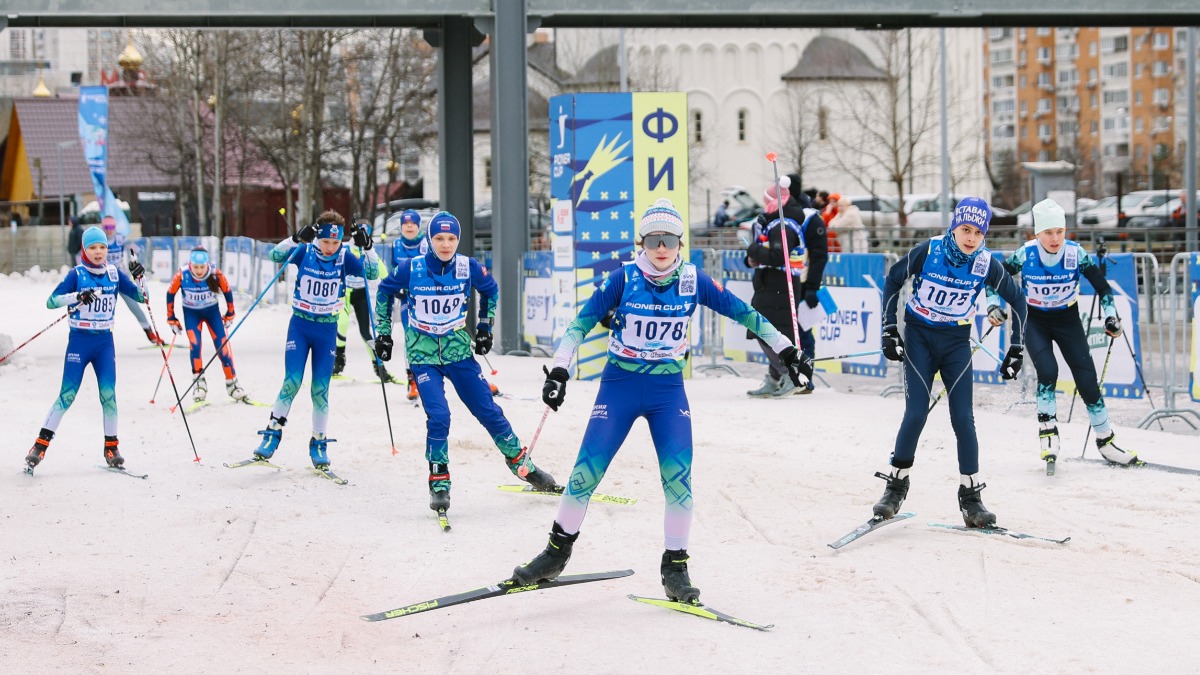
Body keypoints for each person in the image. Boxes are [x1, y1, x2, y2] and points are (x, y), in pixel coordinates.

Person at [510, 198, 814, 603]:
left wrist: (788, 351)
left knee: (679, 482)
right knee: (585, 474)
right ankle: (554, 553)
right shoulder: (623, 277)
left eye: (669, 239)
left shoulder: (693, 280)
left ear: (679, 242)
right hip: (619, 385)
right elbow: (579, 325)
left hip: (667, 391)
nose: (660, 247)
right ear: (642, 242)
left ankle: (675, 568)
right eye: (653, 239)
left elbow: (745, 314)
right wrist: (561, 370)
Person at [373, 211, 556, 513]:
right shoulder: (412, 268)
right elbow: (384, 291)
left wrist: (485, 327)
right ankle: (439, 480)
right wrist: (383, 334)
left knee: (488, 410)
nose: (446, 244)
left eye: (452, 238)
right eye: (439, 238)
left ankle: (523, 466)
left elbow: (490, 289)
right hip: (423, 355)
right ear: (430, 240)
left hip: (459, 352)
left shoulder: (467, 266)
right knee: (439, 416)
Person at [874, 197, 1027, 528]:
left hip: (956, 343)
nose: (971, 238)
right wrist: (889, 329)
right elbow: (893, 280)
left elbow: (1017, 301)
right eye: (965, 230)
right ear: (955, 227)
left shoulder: (987, 264)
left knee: (963, 418)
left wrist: (1017, 347)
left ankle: (971, 497)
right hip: (919, 339)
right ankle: (895, 487)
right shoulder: (929, 251)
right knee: (916, 412)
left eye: (978, 232)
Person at [985, 199, 1139, 470]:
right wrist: (993, 306)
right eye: (1048, 233)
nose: (1055, 239)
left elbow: (1104, 289)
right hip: (1035, 321)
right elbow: (994, 281)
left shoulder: (1076, 254)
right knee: (1048, 371)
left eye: (1060, 231)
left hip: (1068, 320)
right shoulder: (1026, 253)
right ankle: (1048, 435)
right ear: (1037, 233)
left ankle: (1106, 442)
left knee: (1087, 381)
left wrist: (1111, 316)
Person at [245, 211, 379, 471]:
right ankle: (272, 433)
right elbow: (273, 256)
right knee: (292, 381)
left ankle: (318, 441)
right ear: (318, 237)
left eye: (335, 242)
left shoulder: (343, 257)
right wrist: (294, 239)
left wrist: (368, 247)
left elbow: (371, 273)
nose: (330, 248)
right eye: (326, 242)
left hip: (326, 329)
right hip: (301, 325)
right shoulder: (305, 252)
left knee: (320, 390)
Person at [25, 226, 148, 471]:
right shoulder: (77, 274)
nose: (98, 251)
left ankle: (111, 448)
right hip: (80, 342)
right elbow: (51, 301)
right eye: (92, 247)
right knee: (67, 396)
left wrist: (140, 277)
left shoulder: (114, 274)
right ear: (84, 249)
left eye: (102, 247)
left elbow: (143, 297)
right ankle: (39, 446)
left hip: (104, 343)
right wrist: (78, 296)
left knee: (109, 396)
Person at [743, 176, 828, 397]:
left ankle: (798, 377)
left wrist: (813, 286)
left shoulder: (794, 221)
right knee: (781, 333)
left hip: (791, 283)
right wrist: (752, 255)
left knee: (789, 334)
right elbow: (766, 248)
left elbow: (810, 255)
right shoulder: (773, 220)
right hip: (775, 282)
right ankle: (777, 377)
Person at [165, 247, 248, 404]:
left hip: (212, 314)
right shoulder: (182, 274)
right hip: (192, 314)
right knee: (195, 346)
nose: (199, 270)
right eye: (196, 267)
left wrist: (230, 313)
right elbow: (170, 294)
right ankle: (199, 384)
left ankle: (232, 384)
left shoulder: (215, 273)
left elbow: (227, 291)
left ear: (206, 265)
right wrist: (171, 318)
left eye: (202, 267)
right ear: (190, 265)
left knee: (222, 347)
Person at [332, 218, 396, 384]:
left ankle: (379, 366)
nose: (362, 235)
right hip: (344, 292)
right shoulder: (344, 247)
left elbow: (381, 268)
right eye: (359, 231)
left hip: (361, 292)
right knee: (342, 323)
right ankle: (338, 360)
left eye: (366, 232)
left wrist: (393, 284)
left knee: (366, 331)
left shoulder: (368, 249)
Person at [101, 215, 165, 346]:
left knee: (134, 305)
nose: (109, 230)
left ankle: (149, 332)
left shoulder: (119, 239)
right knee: (104, 308)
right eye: (106, 227)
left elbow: (134, 249)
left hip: (120, 278)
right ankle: (101, 336)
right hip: (104, 280)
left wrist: (136, 256)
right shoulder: (100, 241)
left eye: (111, 227)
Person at [386, 209, 430, 401]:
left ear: (418, 225)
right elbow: (392, 270)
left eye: (413, 224)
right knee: (410, 337)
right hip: (406, 299)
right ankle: (412, 381)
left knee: (430, 335)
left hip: (425, 298)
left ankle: (431, 378)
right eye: (406, 224)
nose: (409, 227)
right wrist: (397, 287)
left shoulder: (426, 244)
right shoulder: (395, 245)